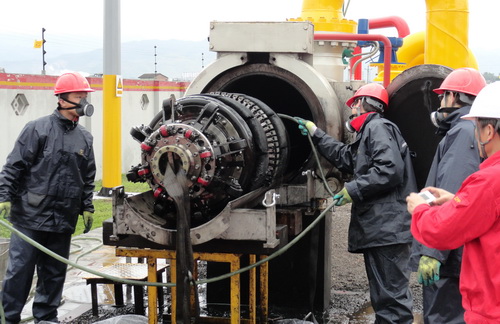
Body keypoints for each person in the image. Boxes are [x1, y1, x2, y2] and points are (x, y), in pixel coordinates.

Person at [297, 83, 417, 323]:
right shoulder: (371, 133)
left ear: (361, 103)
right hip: (383, 230)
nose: (351, 111)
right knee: (385, 298)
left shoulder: (378, 127)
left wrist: (353, 190)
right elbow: (347, 158)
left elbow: (389, 169)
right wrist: (316, 134)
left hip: (388, 230)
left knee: (391, 300)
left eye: (353, 105)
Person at [0, 72, 96, 324]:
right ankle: (8, 318)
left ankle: (46, 317)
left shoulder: (85, 138)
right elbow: (14, 166)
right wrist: (4, 196)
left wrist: (87, 206)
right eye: (79, 96)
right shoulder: (37, 129)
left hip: (63, 218)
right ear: (62, 100)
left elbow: (87, 177)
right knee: (19, 272)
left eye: (85, 96)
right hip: (30, 217)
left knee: (54, 273)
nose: (84, 101)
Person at [407, 81, 500, 323]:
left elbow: (442, 229)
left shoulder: (489, 178)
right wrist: (457, 200)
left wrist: (419, 208)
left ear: (489, 131)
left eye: (478, 127)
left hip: (490, 307)